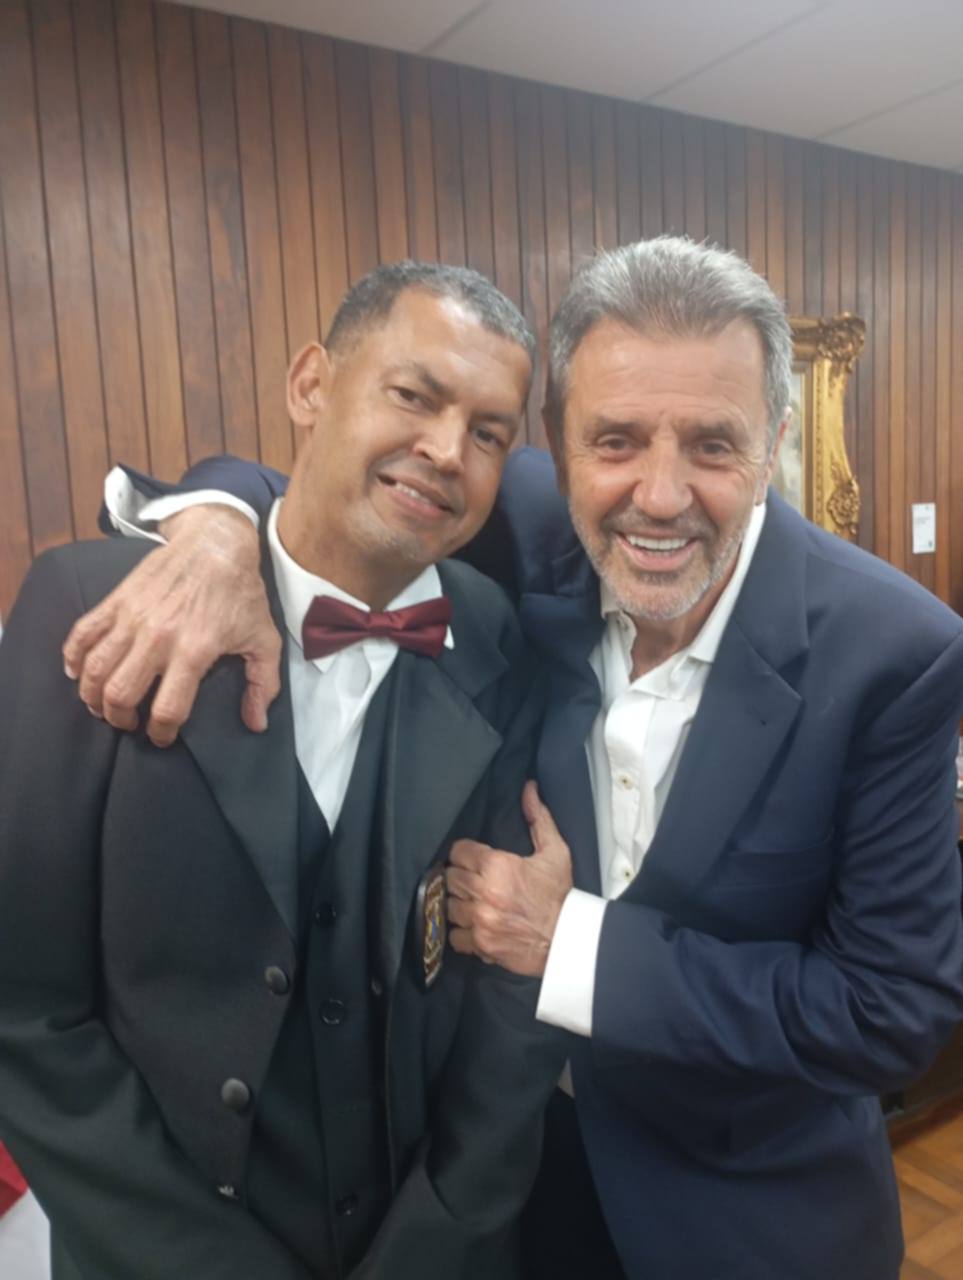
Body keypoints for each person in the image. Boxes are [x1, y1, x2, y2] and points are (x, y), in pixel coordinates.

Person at [63, 238, 963, 1280]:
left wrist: (569, 944)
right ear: (557, 447)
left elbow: (888, 1012)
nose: (658, 495)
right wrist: (218, 526)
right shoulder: (536, 526)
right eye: (614, 440)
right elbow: (336, 481)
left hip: (753, 1222)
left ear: (775, 442)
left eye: (713, 445)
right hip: (517, 1198)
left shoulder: (894, 651)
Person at [0, 262, 566, 1279]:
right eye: (414, 395)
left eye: (488, 432)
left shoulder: (496, 639)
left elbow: (504, 999)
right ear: (311, 385)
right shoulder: (93, 608)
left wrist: (437, 1240)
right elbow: (23, 1011)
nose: (448, 451)